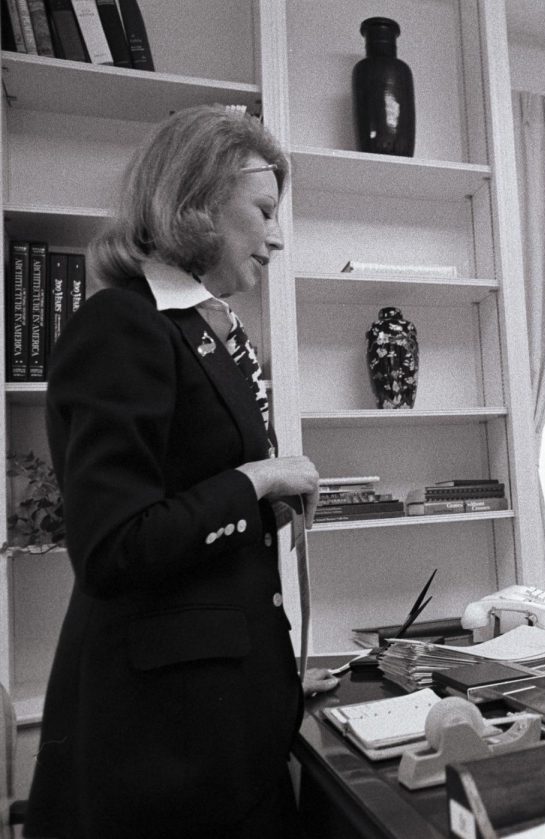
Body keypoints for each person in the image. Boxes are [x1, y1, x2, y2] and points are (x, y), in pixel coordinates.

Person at [25, 105, 337, 839]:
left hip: (223, 718)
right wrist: (260, 482)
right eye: (263, 211)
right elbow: (114, 546)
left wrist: (272, 673)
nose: (278, 236)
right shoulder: (122, 325)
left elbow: (204, 561)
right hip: (160, 756)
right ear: (196, 201)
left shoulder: (208, 333)